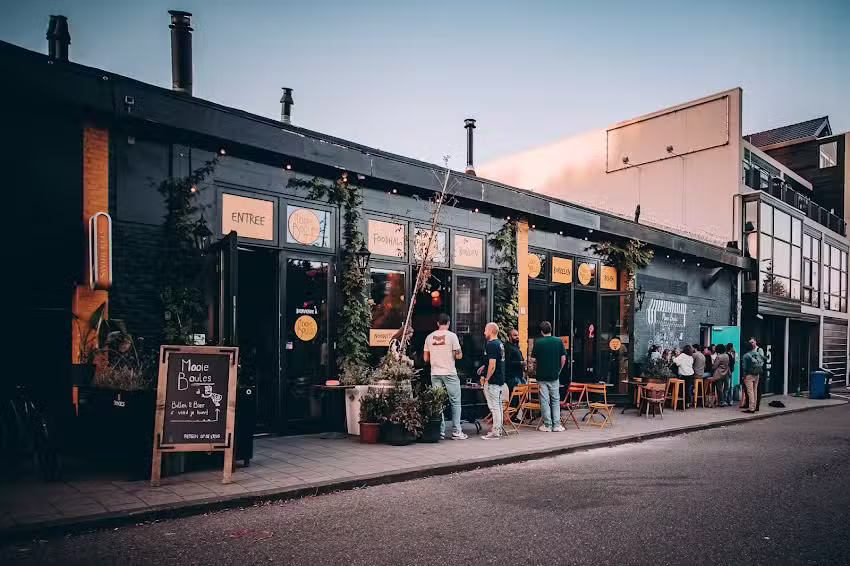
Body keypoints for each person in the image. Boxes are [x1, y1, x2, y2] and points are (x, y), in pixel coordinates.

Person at [422, 313, 466, 440]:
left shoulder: (429, 337)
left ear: (437, 323)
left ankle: (440, 432)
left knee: (438, 402)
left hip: (435, 373)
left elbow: (425, 358)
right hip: (449, 372)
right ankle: (457, 431)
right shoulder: (452, 336)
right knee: (455, 401)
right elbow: (459, 355)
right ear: (448, 323)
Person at [529, 321, 567, 432]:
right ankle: (557, 425)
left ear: (541, 331)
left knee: (544, 400)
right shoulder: (558, 341)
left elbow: (533, 359)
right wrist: (558, 370)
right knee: (555, 399)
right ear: (551, 329)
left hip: (541, 375)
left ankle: (547, 425)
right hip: (554, 376)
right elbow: (563, 358)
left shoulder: (538, 342)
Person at [479, 322, 506, 439]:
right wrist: (484, 366)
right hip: (500, 378)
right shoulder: (499, 343)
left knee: (494, 406)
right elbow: (494, 362)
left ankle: (495, 431)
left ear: (491, 331)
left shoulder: (491, 344)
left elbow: (493, 365)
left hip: (493, 380)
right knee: (498, 405)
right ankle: (498, 429)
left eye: (486, 330)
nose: (484, 332)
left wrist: (487, 378)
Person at [740, 340, 765, 413]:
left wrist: (744, 376)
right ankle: (755, 406)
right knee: (755, 390)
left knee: (750, 391)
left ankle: (751, 408)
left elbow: (744, 367)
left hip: (749, 375)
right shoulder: (757, 353)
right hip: (757, 374)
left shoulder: (746, 356)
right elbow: (763, 359)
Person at [505, 328, 526, 394]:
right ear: (509, 337)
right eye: (515, 335)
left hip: (519, 376)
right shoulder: (507, 348)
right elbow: (507, 363)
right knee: (515, 399)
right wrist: (520, 363)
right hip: (512, 378)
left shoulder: (516, 347)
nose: (517, 337)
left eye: (517, 335)